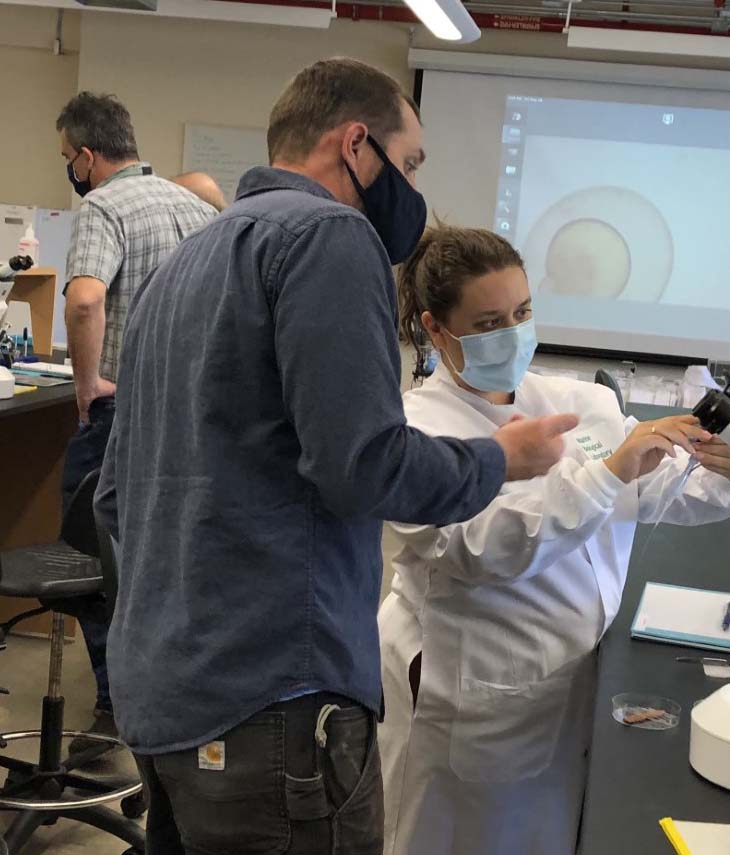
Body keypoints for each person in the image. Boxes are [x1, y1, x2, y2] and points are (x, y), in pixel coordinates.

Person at [94, 58, 576, 855]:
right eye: (409, 162)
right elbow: (364, 466)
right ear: (356, 144)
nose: (413, 189)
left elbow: (115, 496)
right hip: (278, 703)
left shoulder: (186, 261)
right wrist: (499, 460)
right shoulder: (331, 236)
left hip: (165, 696)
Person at [377, 225, 730, 855]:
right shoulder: (415, 431)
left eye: (522, 312)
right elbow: (485, 549)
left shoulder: (581, 401)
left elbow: (656, 489)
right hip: (476, 695)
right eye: (489, 321)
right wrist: (606, 475)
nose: (514, 331)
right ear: (435, 329)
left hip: (569, 687)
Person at [56, 91, 217, 749]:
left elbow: (87, 301)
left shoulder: (103, 206)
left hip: (123, 414)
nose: (72, 169)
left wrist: (87, 383)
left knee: (91, 557)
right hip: (191, 415)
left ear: (90, 157)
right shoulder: (198, 208)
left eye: (69, 158)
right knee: (161, 563)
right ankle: (160, 700)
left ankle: (112, 706)